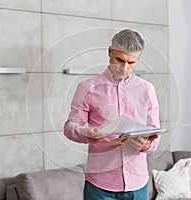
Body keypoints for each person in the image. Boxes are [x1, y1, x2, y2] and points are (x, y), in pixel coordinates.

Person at [64, 29, 160, 200]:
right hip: (100, 185)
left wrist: (146, 145)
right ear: (109, 52)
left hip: (138, 184)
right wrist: (86, 133)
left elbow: (155, 132)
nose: (125, 68)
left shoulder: (147, 89)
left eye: (132, 62)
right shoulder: (87, 88)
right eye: (120, 60)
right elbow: (70, 127)